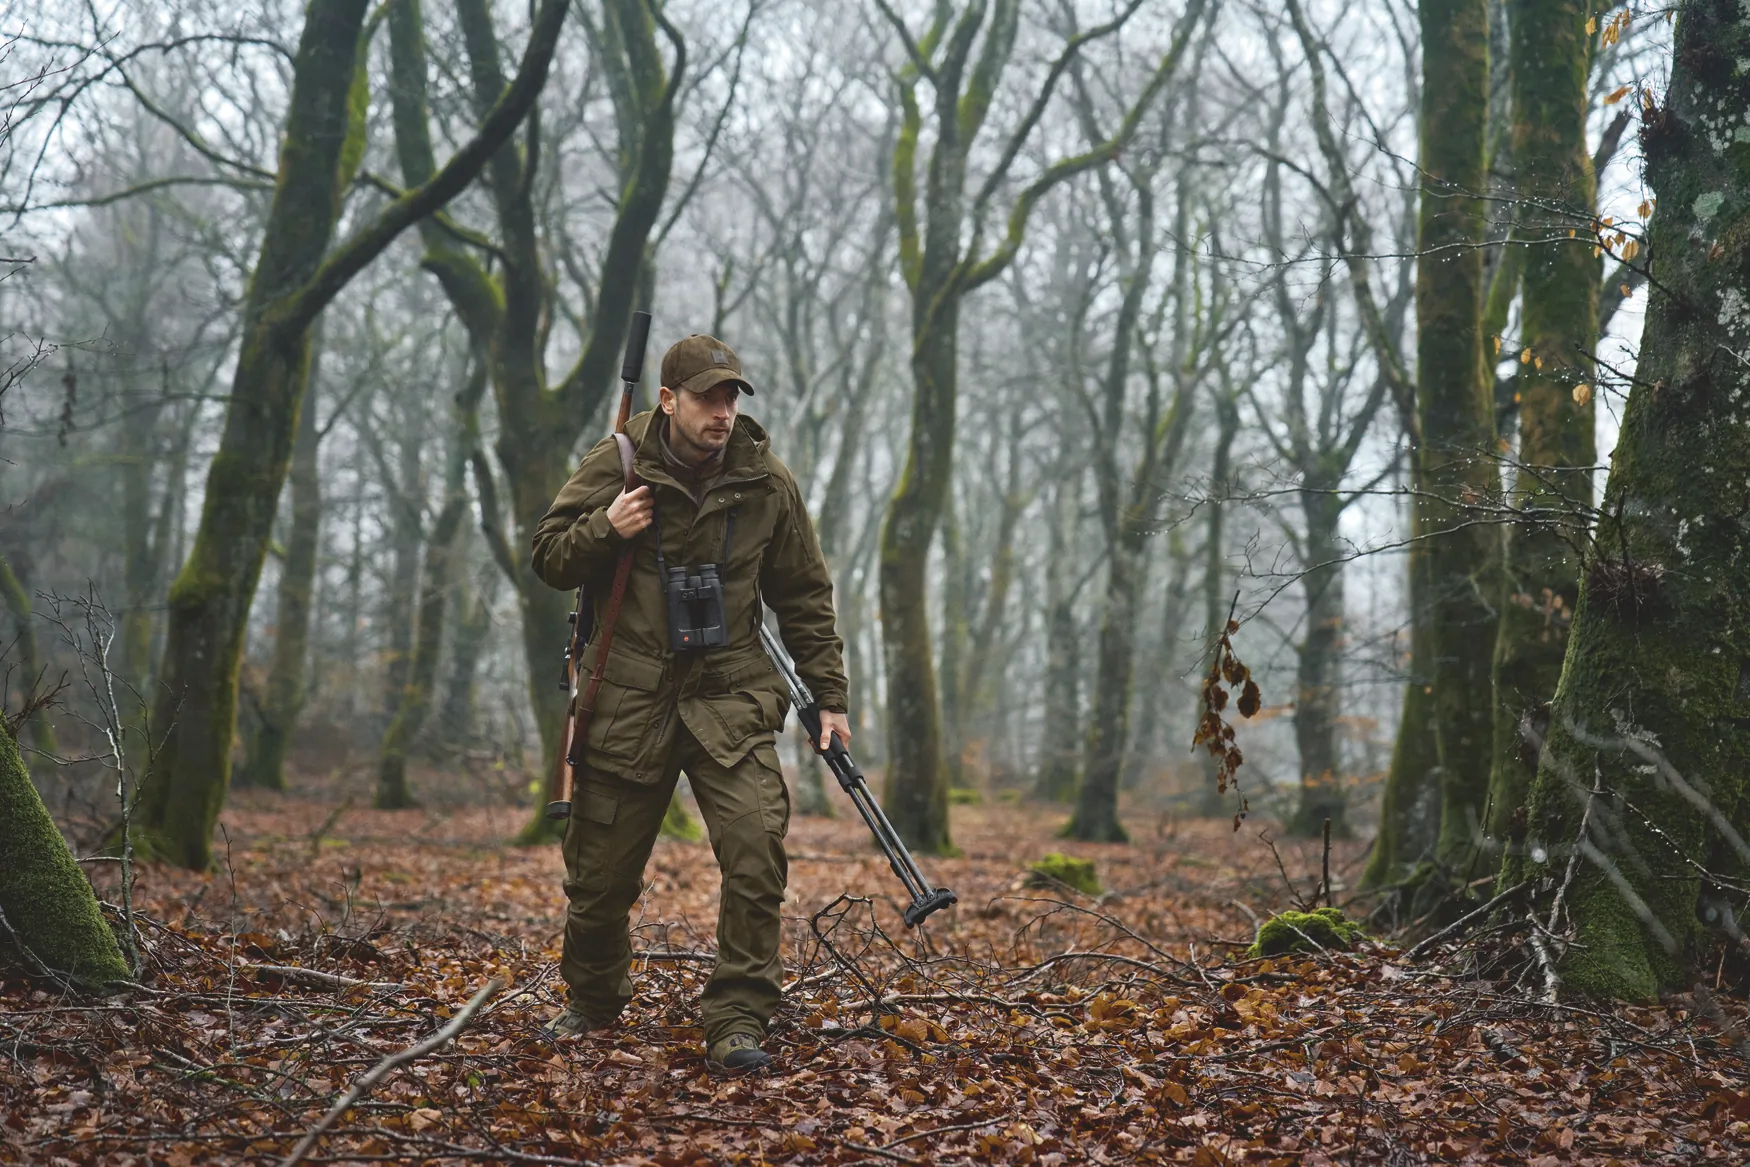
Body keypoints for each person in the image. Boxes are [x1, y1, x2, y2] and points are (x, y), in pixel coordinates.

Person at [530, 332, 850, 1072]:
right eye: (708, 396)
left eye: (732, 396)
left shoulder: (766, 481)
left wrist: (828, 695)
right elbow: (549, 557)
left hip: (729, 694)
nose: (723, 411)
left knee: (755, 852)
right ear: (667, 400)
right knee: (601, 879)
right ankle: (594, 999)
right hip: (630, 698)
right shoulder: (616, 463)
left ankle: (738, 1016)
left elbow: (804, 593)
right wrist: (605, 528)